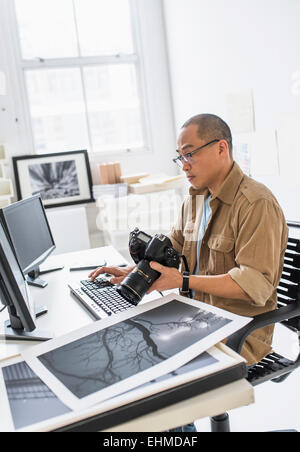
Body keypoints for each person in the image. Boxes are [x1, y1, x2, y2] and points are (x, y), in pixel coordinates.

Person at [90, 113, 288, 368]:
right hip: (192, 317)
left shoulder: (256, 204)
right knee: (121, 339)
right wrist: (134, 272)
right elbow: (174, 245)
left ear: (221, 148)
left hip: (239, 333)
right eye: (180, 156)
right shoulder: (195, 201)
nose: (183, 165)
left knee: (140, 357)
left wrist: (183, 280)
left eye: (189, 154)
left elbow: (255, 284)